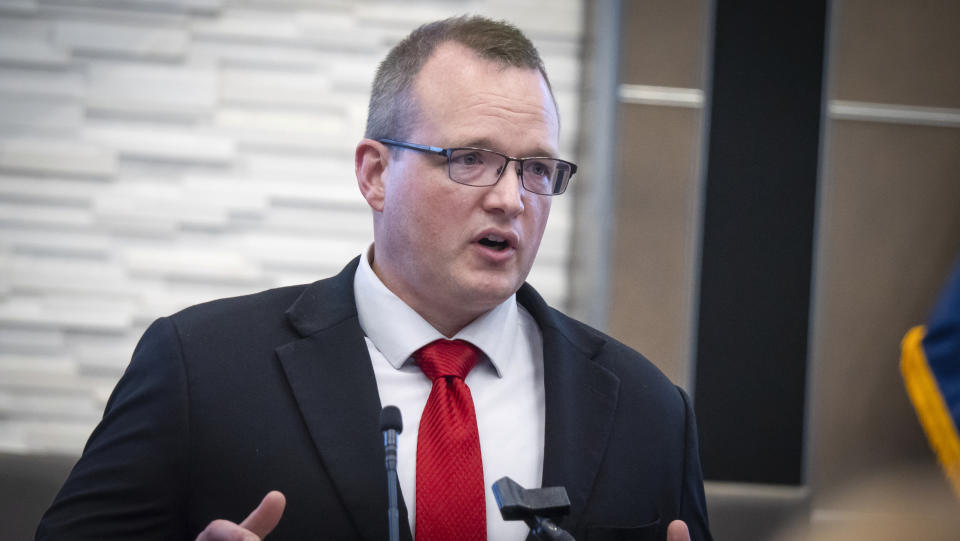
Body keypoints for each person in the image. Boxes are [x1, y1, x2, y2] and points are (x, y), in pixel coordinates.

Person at [37, 16, 711, 541]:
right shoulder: (200, 369)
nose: (511, 198)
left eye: (536, 169)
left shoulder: (649, 410)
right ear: (375, 173)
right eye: (471, 158)